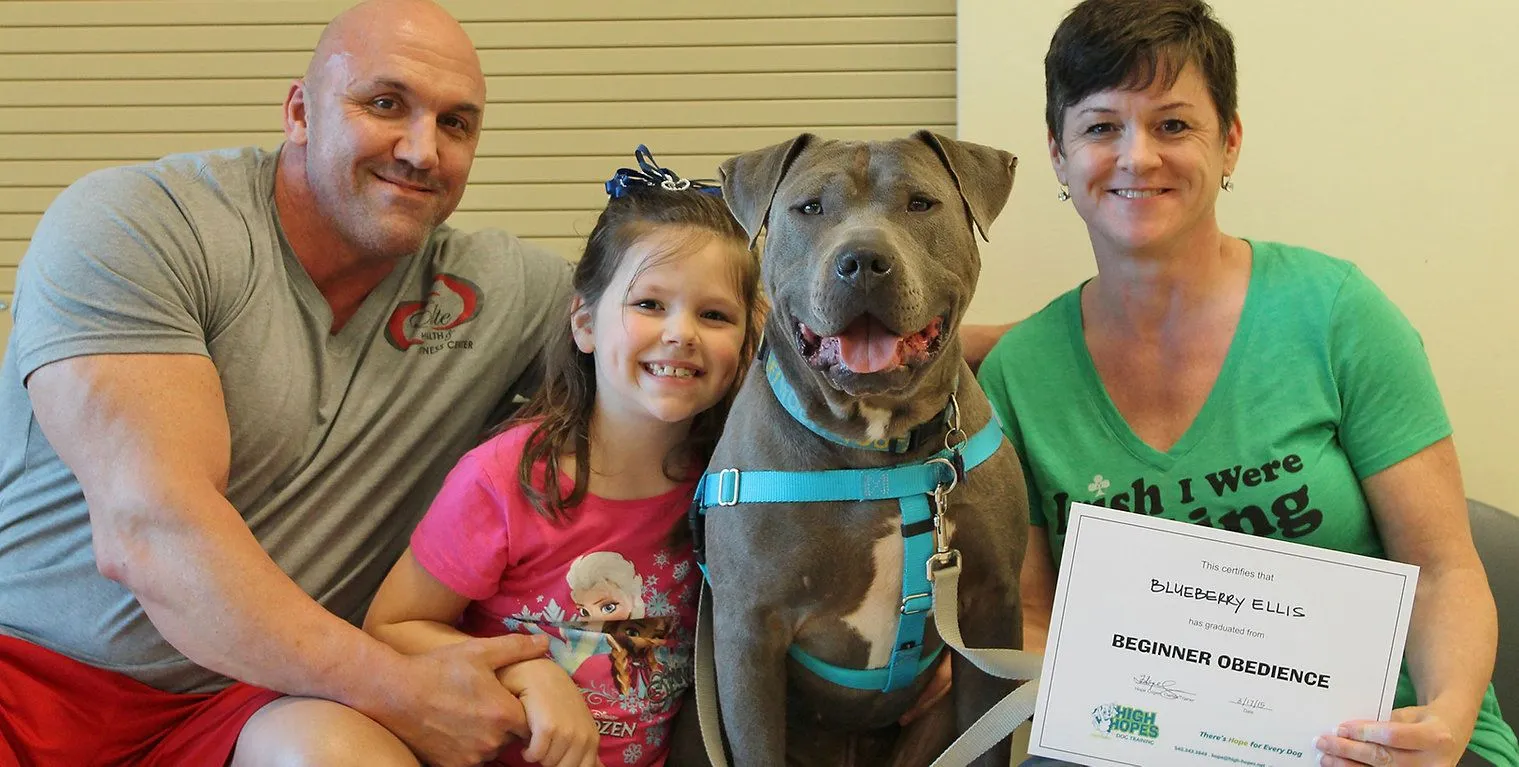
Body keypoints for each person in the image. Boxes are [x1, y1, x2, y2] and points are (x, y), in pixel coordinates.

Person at [0, 1, 577, 765]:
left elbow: (680, 327)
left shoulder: (509, 293)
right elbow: (153, 532)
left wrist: (548, 660)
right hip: (27, 672)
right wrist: (406, 692)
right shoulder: (137, 224)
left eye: (456, 124)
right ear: (300, 112)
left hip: (249, 697)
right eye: (385, 104)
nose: (421, 150)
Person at [975, 1, 1519, 766]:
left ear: (1228, 142)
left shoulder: (1336, 314)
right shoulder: (1018, 374)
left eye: (1172, 125)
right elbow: (1036, 615)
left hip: (1373, 744)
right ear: (1059, 156)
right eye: (1100, 127)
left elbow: (1443, 570)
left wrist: (1444, 720)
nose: (1136, 156)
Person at [362, 160, 765, 767]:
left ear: (745, 344)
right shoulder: (503, 478)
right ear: (584, 323)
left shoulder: (733, 482)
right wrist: (530, 676)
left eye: (714, 315)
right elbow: (392, 628)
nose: (682, 333)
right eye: (650, 304)